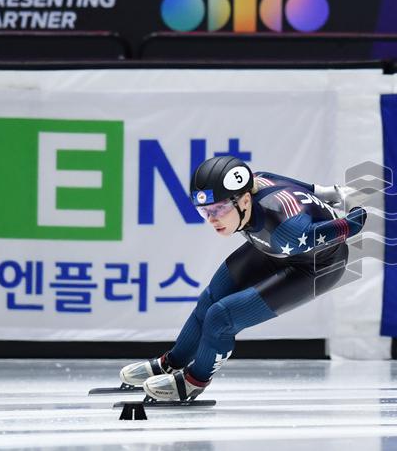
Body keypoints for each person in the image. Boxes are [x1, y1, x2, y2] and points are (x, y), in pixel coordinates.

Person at [118, 155, 367, 402]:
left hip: (317, 266)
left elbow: (348, 229)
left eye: (219, 209)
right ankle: (171, 363)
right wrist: (328, 192)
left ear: (245, 200)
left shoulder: (286, 230)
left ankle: (194, 382)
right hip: (272, 246)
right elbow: (284, 182)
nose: (213, 219)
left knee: (221, 317)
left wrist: (355, 214)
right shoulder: (255, 181)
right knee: (209, 300)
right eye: (205, 211)